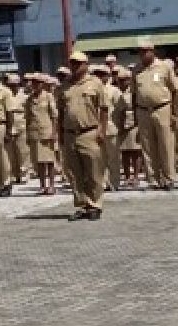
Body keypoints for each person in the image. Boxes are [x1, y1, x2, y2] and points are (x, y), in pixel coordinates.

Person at [58, 51, 108, 220]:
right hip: (70, 133)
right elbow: (60, 112)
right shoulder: (64, 86)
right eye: (72, 63)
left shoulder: (95, 83)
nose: (75, 66)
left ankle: (95, 204)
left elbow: (103, 109)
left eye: (78, 63)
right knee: (75, 172)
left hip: (89, 132)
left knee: (93, 171)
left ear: (86, 65)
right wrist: (60, 134)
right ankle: (82, 204)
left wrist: (102, 130)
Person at [132, 38, 178, 190]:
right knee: (148, 147)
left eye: (146, 51)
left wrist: (173, 113)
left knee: (165, 145)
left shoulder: (164, 67)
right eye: (141, 52)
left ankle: (168, 178)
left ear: (153, 51)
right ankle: (153, 179)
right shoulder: (136, 70)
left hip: (162, 108)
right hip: (143, 110)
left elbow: (175, 90)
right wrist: (135, 116)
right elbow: (134, 94)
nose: (143, 54)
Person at [26, 74, 59, 194]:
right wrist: (28, 135)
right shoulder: (29, 98)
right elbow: (27, 117)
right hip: (34, 132)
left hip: (47, 131)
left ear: (42, 84)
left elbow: (54, 116)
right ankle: (42, 186)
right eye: (34, 82)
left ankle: (51, 185)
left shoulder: (48, 96)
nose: (35, 85)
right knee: (38, 161)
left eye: (38, 82)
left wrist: (54, 132)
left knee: (49, 160)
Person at [93, 64, 122, 191]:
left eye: (102, 74)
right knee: (100, 158)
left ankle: (114, 181)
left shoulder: (114, 90)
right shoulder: (92, 89)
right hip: (95, 128)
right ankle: (103, 182)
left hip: (111, 127)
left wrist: (119, 124)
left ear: (107, 76)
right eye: (97, 74)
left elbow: (120, 108)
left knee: (113, 157)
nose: (99, 77)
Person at [114, 67, 142, 188]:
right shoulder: (118, 92)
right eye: (120, 80)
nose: (122, 82)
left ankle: (135, 176)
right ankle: (126, 176)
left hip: (134, 122)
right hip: (122, 124)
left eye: (124, 80)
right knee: (125, 152)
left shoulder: (134, 92)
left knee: (135, 151)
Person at [5, 73, 28, 185]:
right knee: (11, 151)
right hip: (10, 123)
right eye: (10, 85)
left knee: (22, 151)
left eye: (14, 84)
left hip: (21, 122)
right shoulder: (6, 95)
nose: (12, 86)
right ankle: (14, 174)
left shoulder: (24, 95)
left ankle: (23, 173)